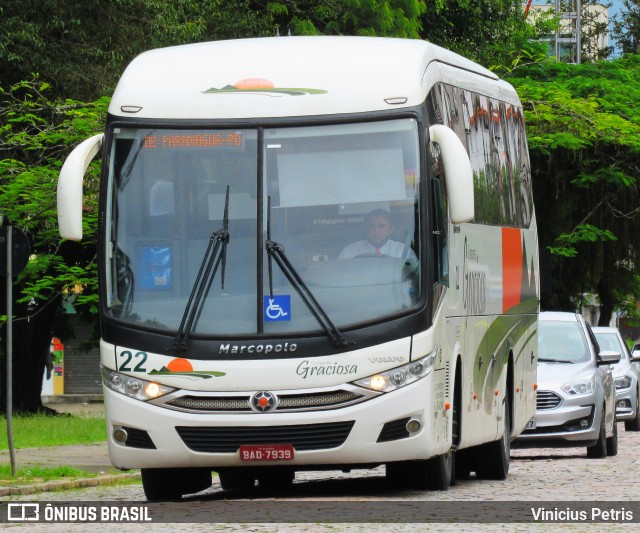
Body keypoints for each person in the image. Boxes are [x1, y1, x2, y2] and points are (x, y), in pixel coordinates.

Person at [338, 209, 416, 260]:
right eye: (372, 227)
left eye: (381, 226)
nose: (376, 231)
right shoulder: (350, 251)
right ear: (366, 229)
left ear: (391, 230)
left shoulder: (403, 251)